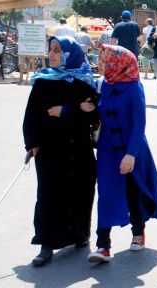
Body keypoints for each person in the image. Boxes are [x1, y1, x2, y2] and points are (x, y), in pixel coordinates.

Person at [23, 36, 98, 267]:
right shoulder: (43, 82)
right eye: (51, 50)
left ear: (69, 54)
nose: (52, 54)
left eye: (57, 50)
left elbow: (93, 117)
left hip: (79, 149)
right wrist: (31, 142)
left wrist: (68, 111)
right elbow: (31, 116)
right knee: (48, 194)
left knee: (80, 191)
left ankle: (79, 234)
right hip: (50, 149)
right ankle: (46, 243)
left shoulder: (85, 82)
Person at [87, 44, 157, 263]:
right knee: (106, 192)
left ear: (118, 63)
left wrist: (131, 154)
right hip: (107, 149)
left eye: (105, 61)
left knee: (133, 190)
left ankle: (138, 232)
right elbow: (94, 109)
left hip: (131, 149)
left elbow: (139, 123)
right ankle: (103, 245)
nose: (101, 64)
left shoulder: (133, 87)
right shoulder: (103, 84)